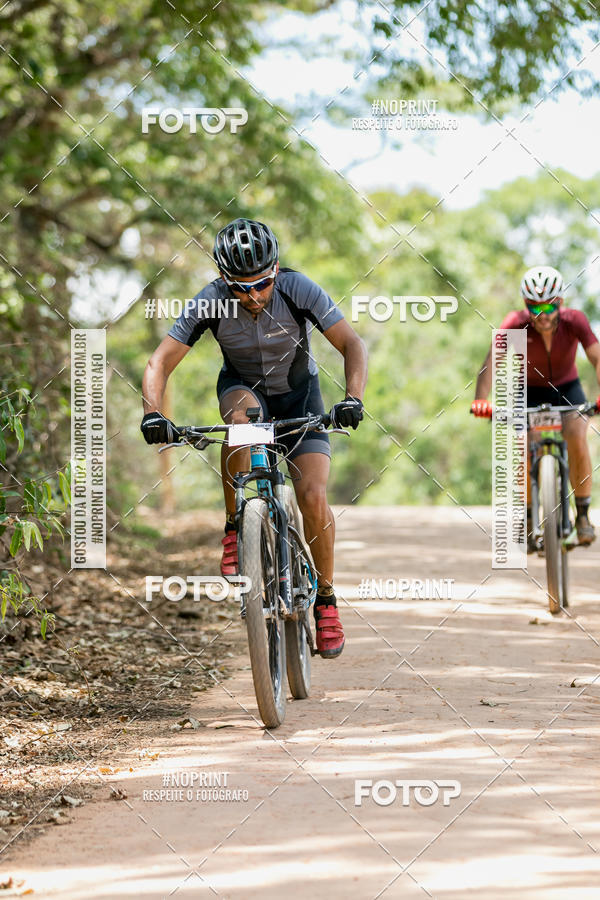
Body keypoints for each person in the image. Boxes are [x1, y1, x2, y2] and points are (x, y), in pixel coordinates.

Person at [140, 218, 368, 659]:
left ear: (275, 270)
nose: (253, 296)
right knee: (241, 422)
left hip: (299, 396)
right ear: (223, 279)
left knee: (313, 495)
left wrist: (352, 398)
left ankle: (325, 600)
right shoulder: (211, 300)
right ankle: (235, 525)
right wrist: (152, 413)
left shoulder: (297, 289)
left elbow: (352, 344)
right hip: (243, 389)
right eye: (240, 287)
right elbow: (159, 362)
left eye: (262, 283)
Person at [472, 265, 600, 548]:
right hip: (528, 391)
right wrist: (481, 400)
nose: (543, 315)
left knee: (577, 436)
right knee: (521, 444)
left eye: (549, 307)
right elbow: (492, 361)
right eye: (535, 307)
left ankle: (582, 515)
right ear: (525, 305)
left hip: (567, 389)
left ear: (560, 303)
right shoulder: (515, 322)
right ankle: (529, 517)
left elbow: (597, 357)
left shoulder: (575, 321)